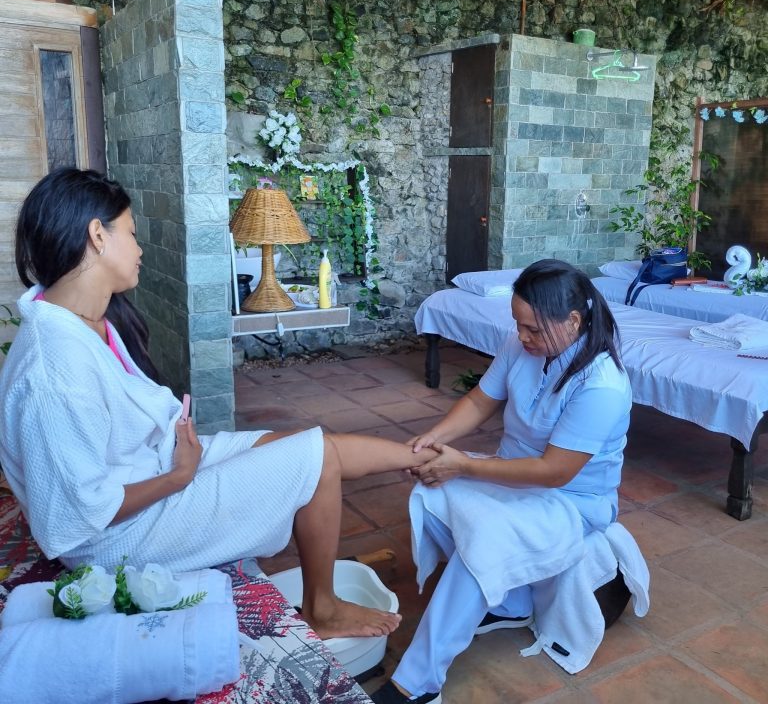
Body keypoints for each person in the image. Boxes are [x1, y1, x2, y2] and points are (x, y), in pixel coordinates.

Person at [0, 167, 439, 641]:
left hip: (153, 470)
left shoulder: (87, 320)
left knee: (304, 443)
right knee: (313, 461)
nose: (140, 249)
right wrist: (178, 477)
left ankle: (426, 458)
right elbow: (76, 517)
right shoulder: (54, 370)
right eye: (131, 233)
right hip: (120, 539)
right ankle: (323, 608)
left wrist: (177, 465)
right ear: (97, 236)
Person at [372, 259, 633, 704]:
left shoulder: (602, 384)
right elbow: (480, 401)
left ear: (573, 321)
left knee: (485, 540)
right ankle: (510, 604)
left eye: (532, 328)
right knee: (432, 488)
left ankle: (417, 684)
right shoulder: (522, 346)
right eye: (518, 324)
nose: (522, 336)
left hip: (570, 500)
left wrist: (464, 466)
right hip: (512, 475)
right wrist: (435, 439)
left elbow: (555, 471)